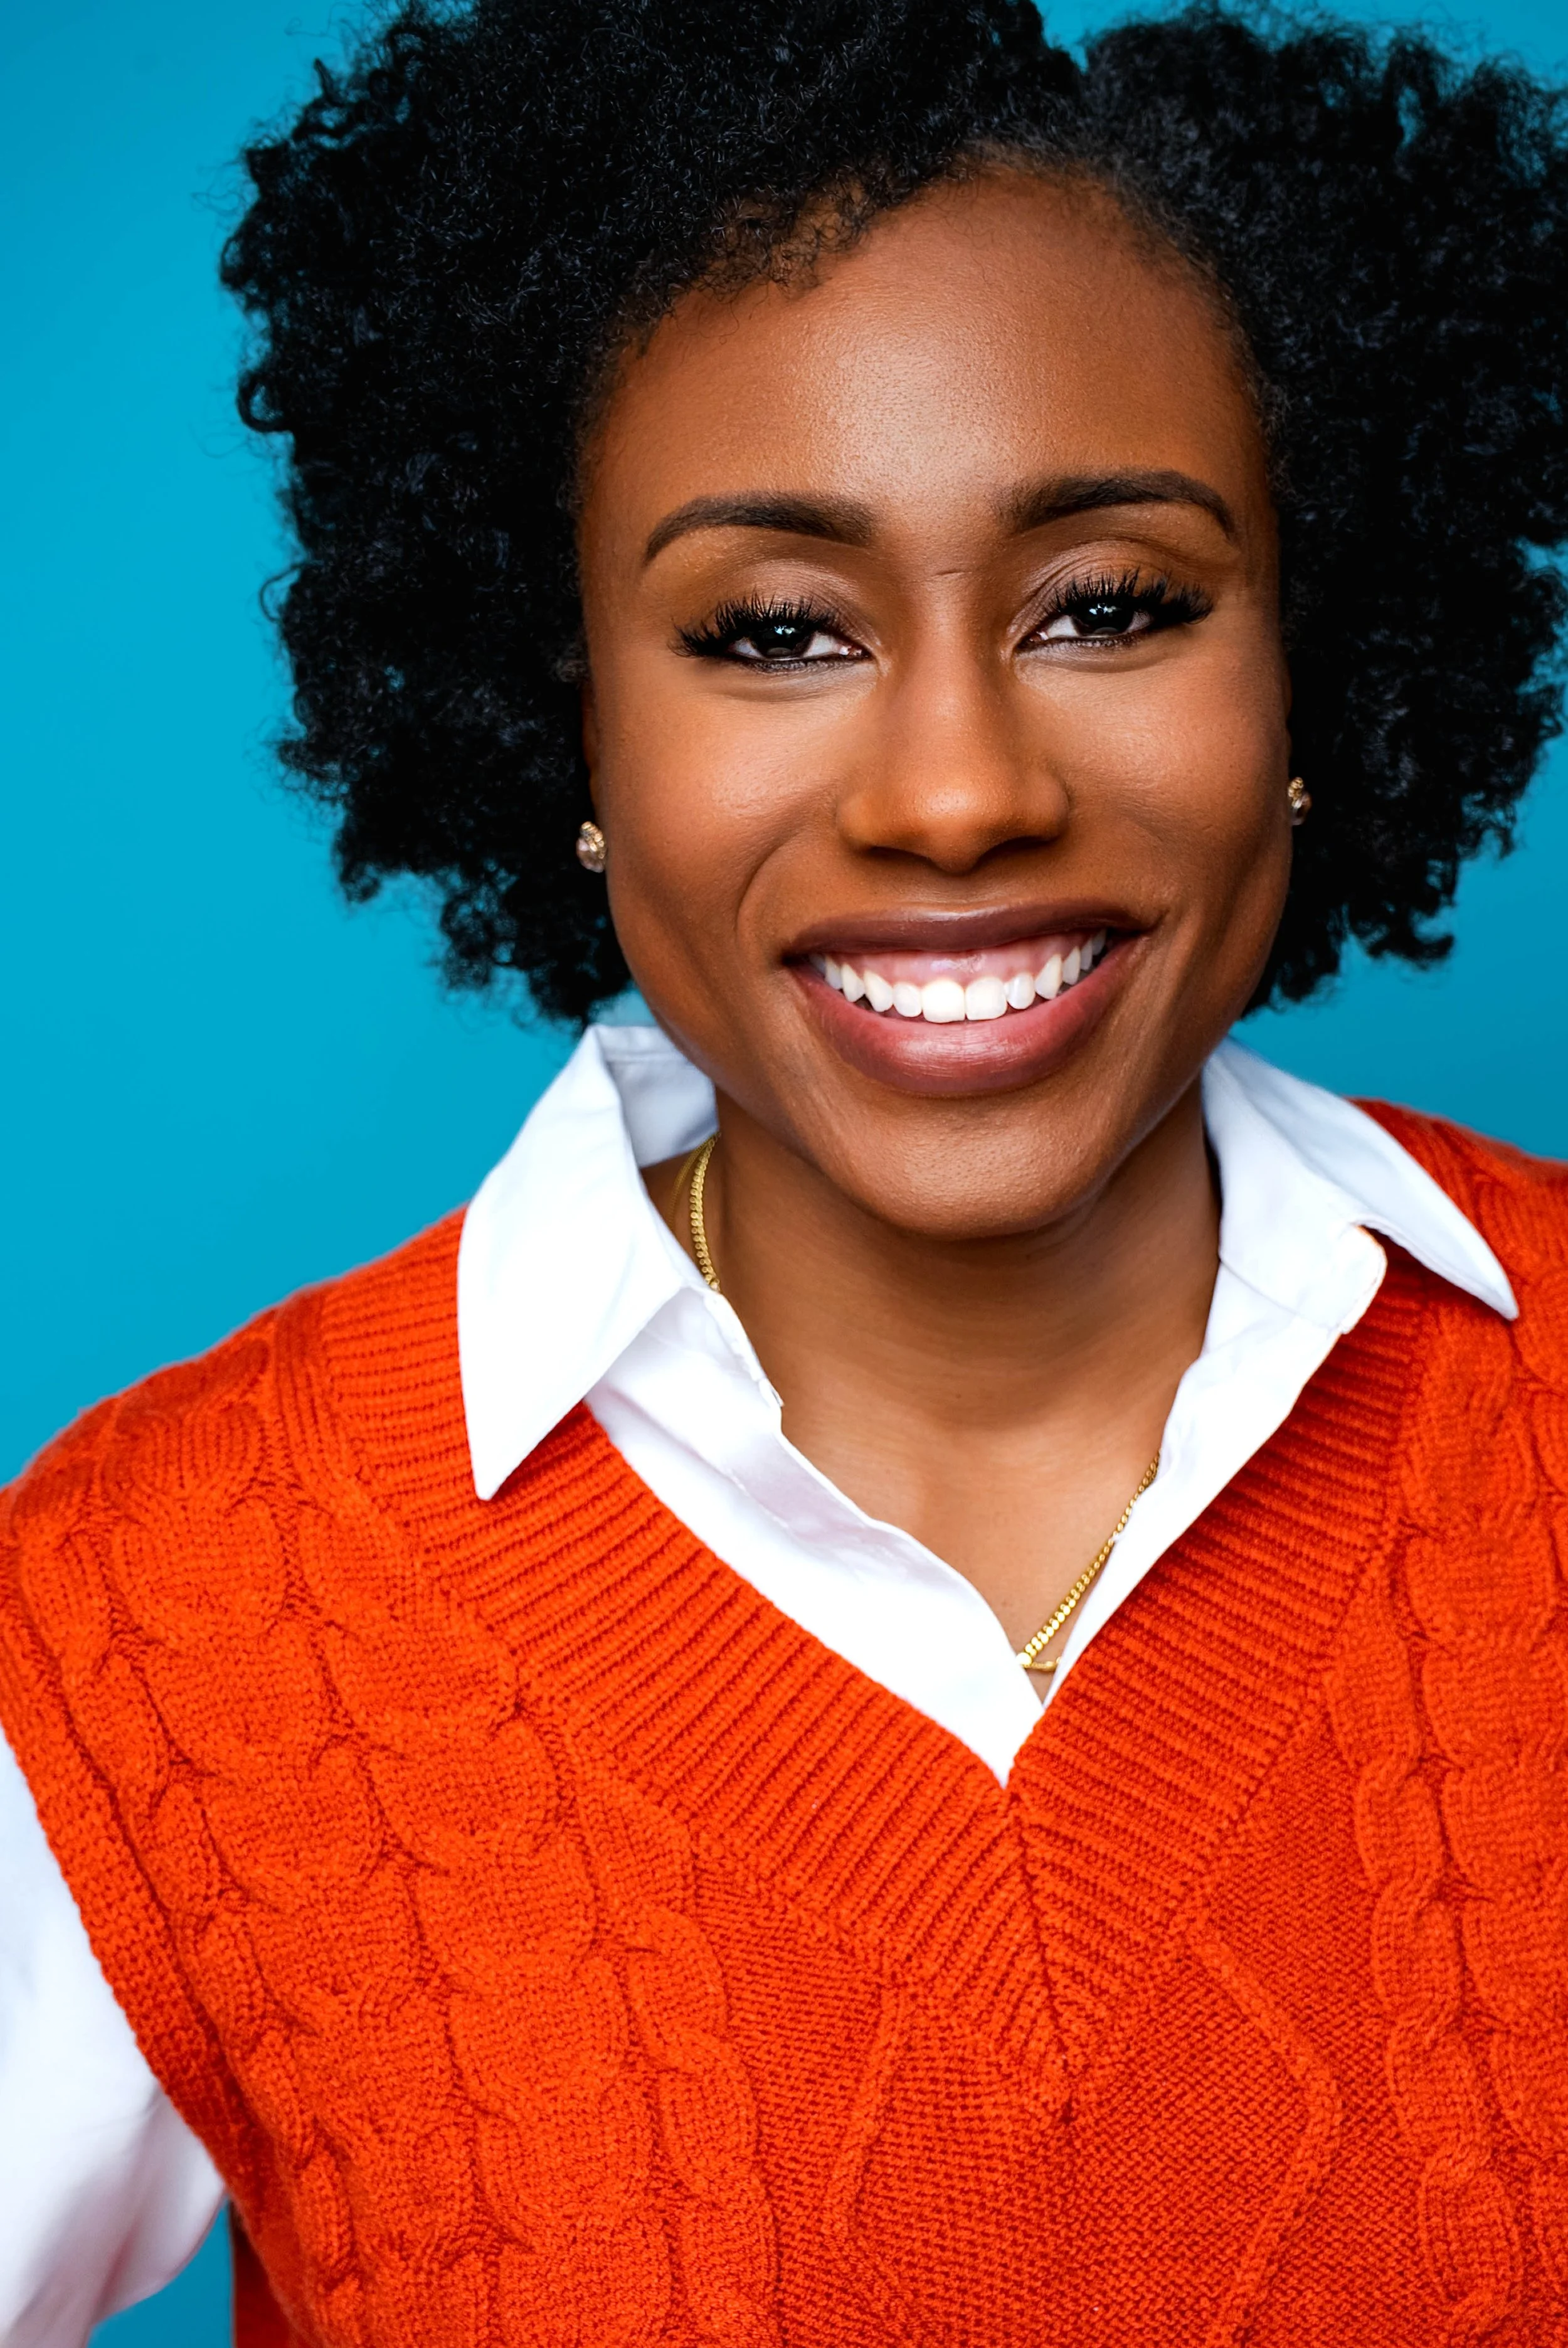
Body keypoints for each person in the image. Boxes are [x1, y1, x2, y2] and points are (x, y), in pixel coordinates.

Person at [3, 0, 1567, 2339]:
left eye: (1112, 603)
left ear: (1312, 664)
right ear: (572, 722)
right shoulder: (152, 1627)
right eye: (769, 633)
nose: (955, 790)